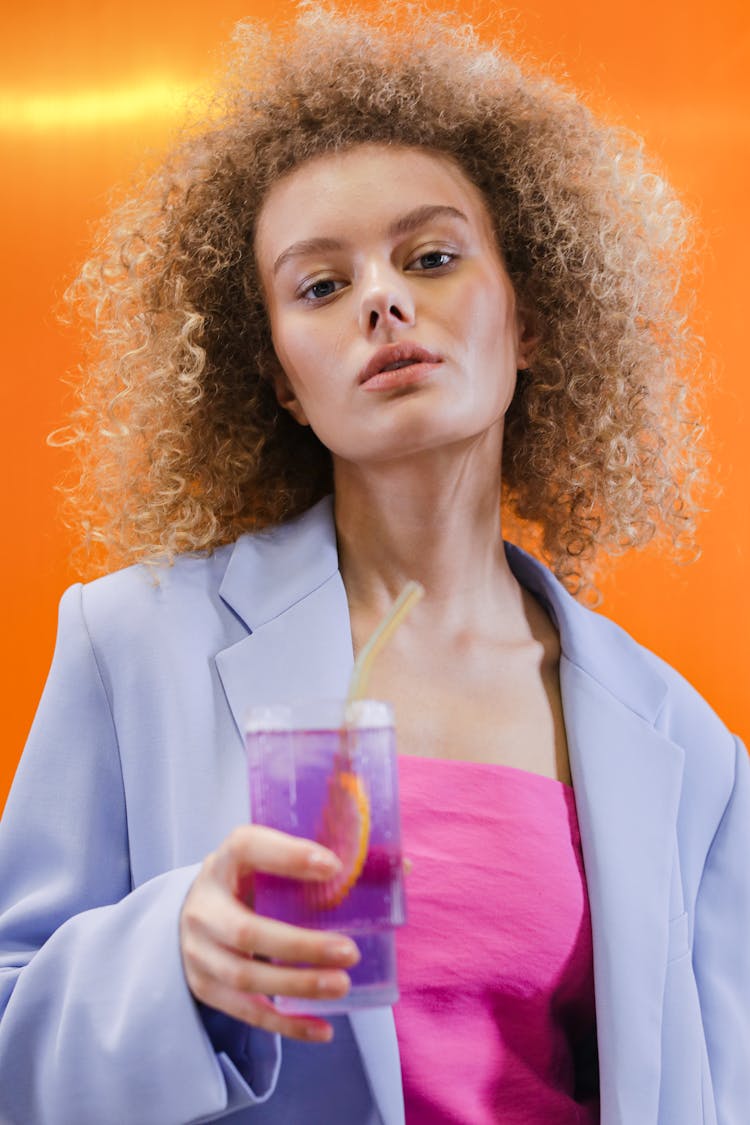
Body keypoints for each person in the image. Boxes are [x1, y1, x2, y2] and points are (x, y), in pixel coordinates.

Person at [0, 5, 747, 1123]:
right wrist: (170, 961)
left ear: (531, 315)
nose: (384, 302)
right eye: (320, 287)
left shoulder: (685, 743)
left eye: (432, 257)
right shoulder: (133, 645)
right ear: (285, 384)